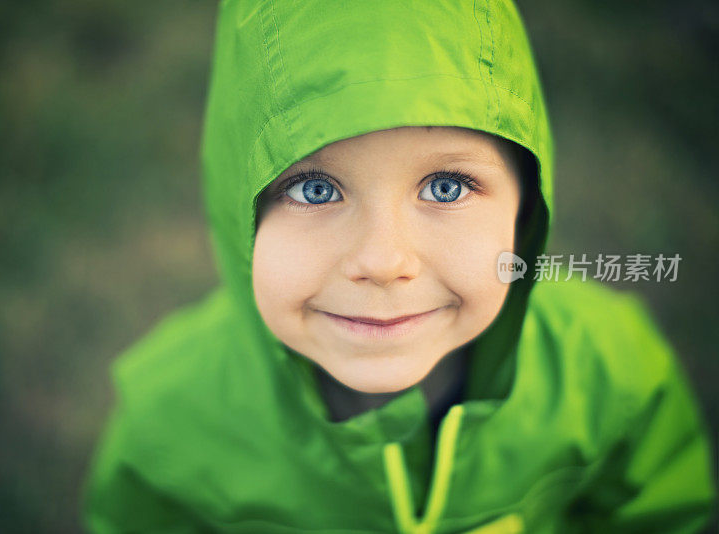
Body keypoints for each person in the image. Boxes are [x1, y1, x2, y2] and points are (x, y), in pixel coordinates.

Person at [81, 1, 717, 532]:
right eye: (314, 189)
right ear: (236, 209)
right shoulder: (170, 426)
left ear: (525, 212)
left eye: (445, 187)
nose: (384, 262)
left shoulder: (612, 375)